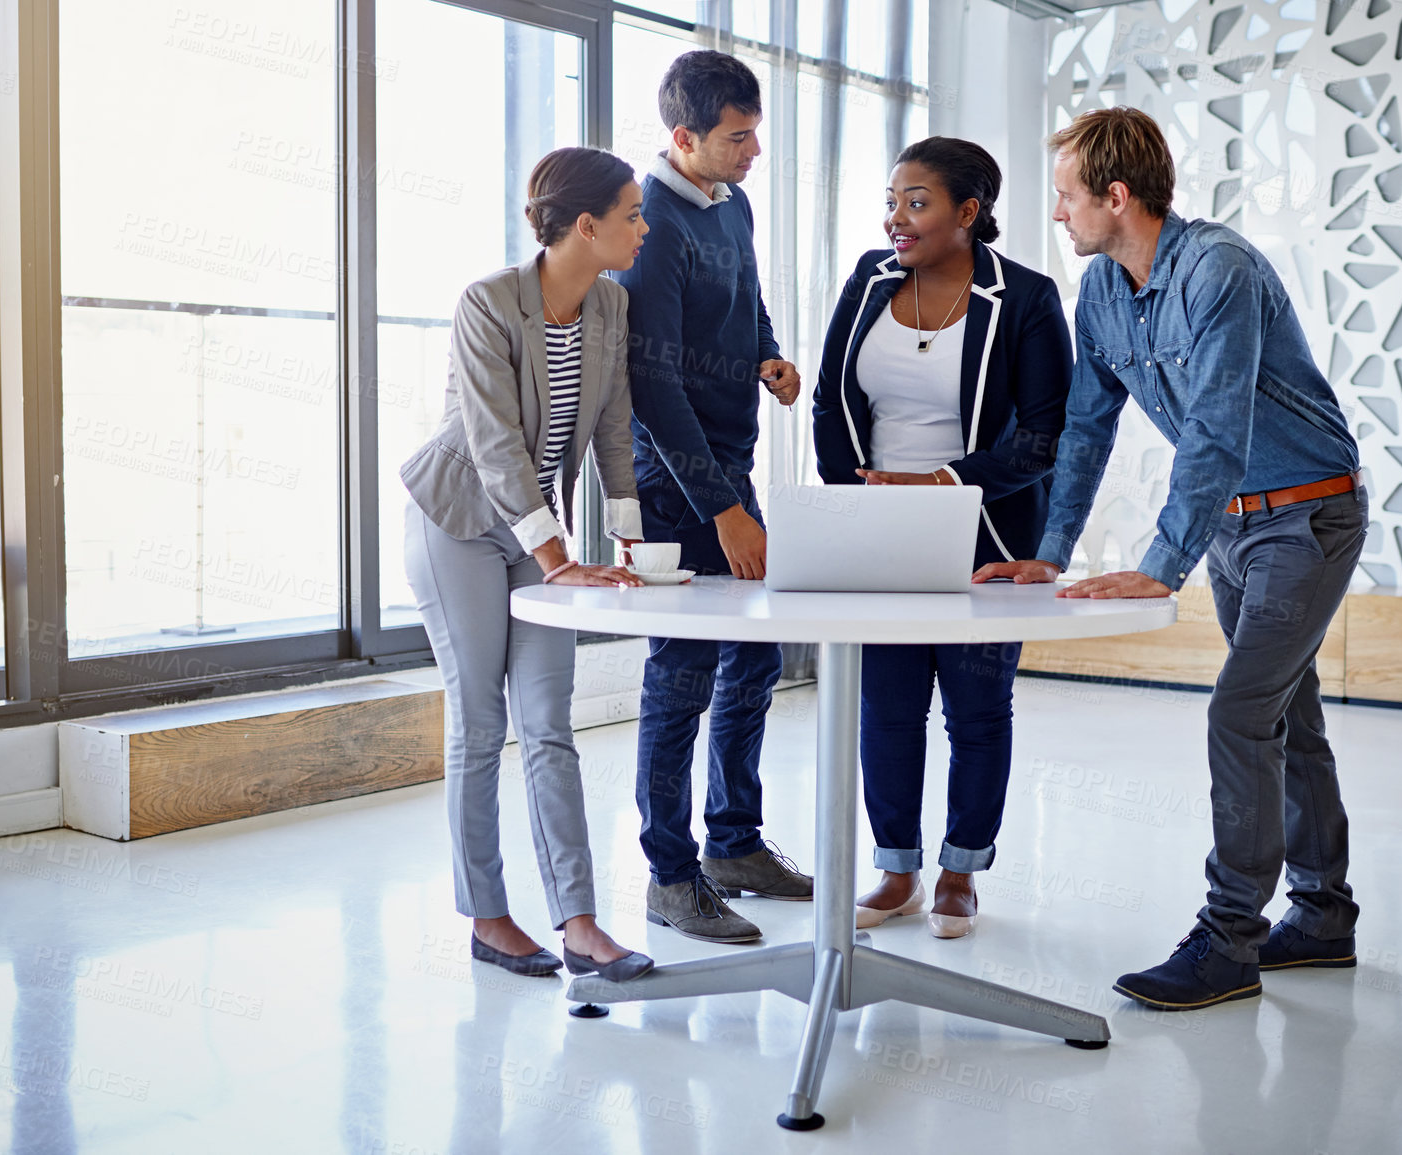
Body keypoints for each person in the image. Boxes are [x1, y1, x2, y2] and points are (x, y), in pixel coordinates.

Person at [975, 107, 1368, 1009]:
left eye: (1070, 196)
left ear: (1118, 196)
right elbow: (1084, 428)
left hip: (1305, 521)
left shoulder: (1217, 270)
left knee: (1239, 711)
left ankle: (1229, 940)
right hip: (1234, 527)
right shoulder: (1104, 291)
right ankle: (1320, 917)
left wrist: (1161, 562)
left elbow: (1214, 427)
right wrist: (1048, 552)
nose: (1059, 213)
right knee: (1285, 715)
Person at [400, 147, 655, 983]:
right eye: (630, 214)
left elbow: (614, 422)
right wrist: (557, 556)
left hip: (536, 534)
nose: (642, 228)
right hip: (458, 522)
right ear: (585, 226)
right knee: (479, 721)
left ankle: (579, 922)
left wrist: (627, 531)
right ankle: (488, 916)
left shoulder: (609, 305)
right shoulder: (488, 302)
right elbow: (494, 444)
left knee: (549, 721)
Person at [812, 137, 1072, 938]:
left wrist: (940, 486)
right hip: (877, 529)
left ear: (968, 211)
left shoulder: (1023, 297)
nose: (896, 217)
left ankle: (960, 868)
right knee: (886, 708)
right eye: (891, 200)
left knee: (976, 709)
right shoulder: (868, 279)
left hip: (984, 532)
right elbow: (830, 400)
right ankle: (897, 870)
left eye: (915, 201)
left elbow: (1042, 435)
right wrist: (854, 497)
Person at [613, 50, 812, 944]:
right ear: (683, 137)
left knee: (755, 658)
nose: (754, 149)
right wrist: (722, 508)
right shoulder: (647, 225)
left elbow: (751, 300)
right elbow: (653, 390)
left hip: (730, 463)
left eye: (755, 130)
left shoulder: (731, 204)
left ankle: (733, 843)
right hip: (675, 479)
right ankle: (670, 873)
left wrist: (768, 355)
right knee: (683, 673)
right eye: (738, 136)